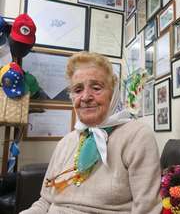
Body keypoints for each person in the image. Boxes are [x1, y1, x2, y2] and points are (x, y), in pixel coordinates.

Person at [20, 52, 162, 214]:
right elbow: (45, 201)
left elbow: (148, 209)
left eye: (96, 87)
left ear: (113, 93)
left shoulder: (136, 136)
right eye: (78, 90)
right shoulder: (66, 142)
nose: (86, 97)